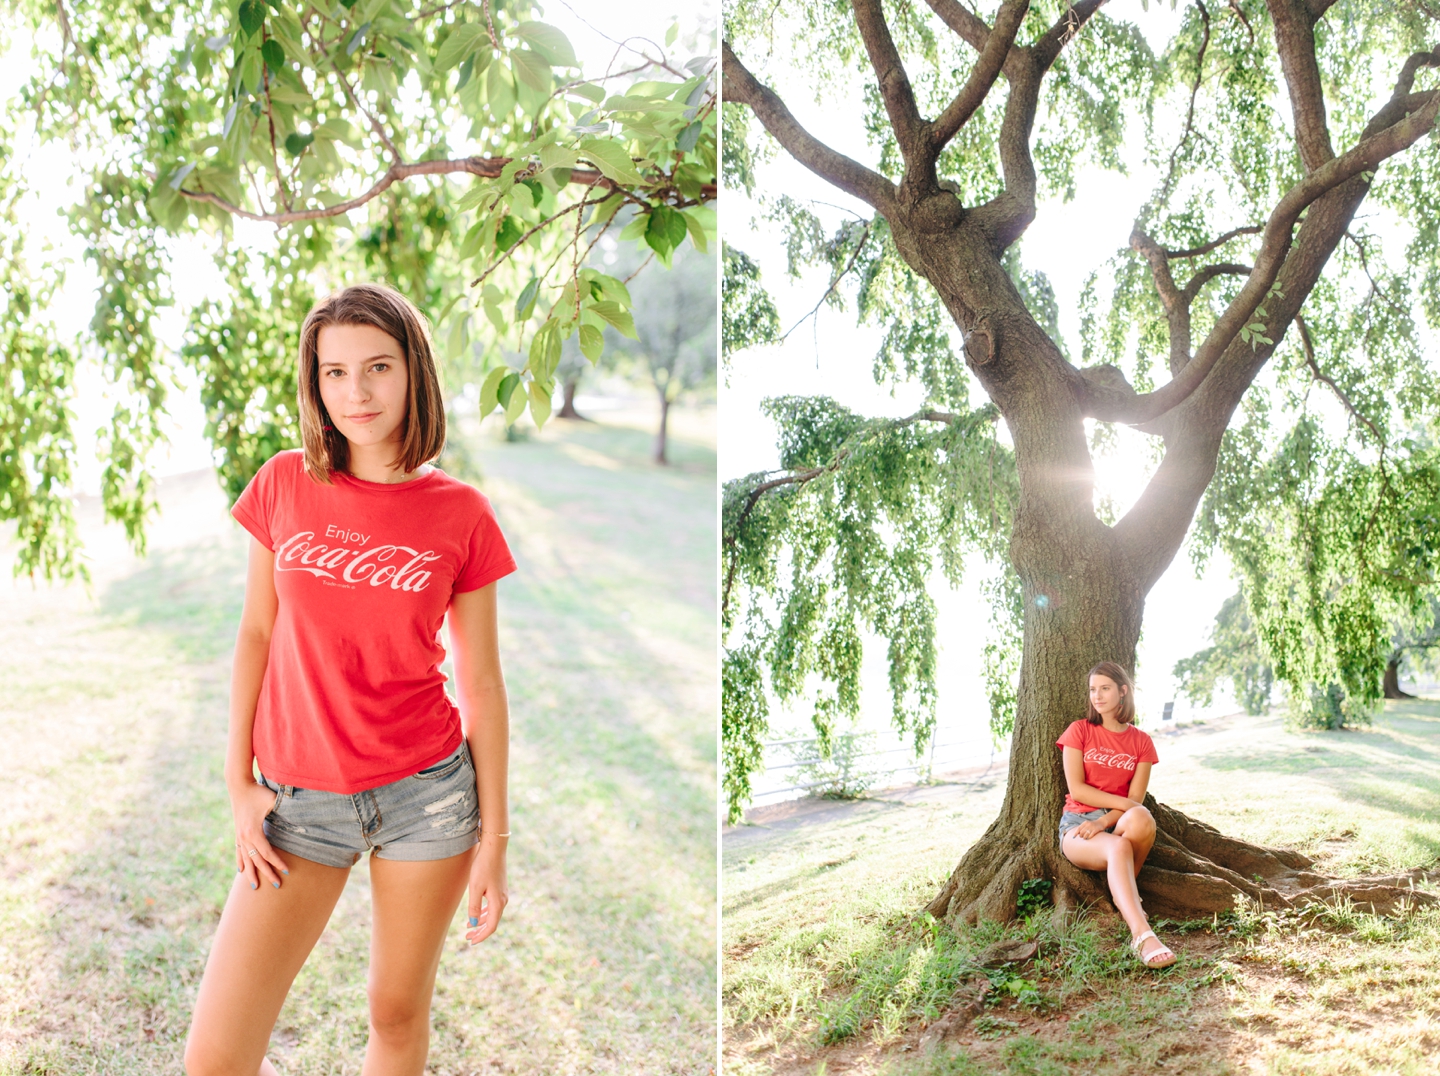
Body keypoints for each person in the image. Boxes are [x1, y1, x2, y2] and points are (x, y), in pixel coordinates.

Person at [184, 283, 517, 1075]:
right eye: (333, 372)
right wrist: (237, 784)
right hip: (298, 804)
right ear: (315, 382)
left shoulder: (462, 514)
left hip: (428, 800)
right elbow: (256, 634)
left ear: (414, 373)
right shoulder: (283, 484)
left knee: (394, 1015)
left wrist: (495, 844)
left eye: (377, 367)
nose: (355, 392)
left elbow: (485, 686)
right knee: (215, 1055)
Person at [1056, 661, 1176, 969]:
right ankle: (1141, 933)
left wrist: (1103, 821)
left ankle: (1123, 899)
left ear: (1123, 691)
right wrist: (1094, 821)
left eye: (1105, 688)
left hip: (1113, 821)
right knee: (1120, 844)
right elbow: (1079, 790)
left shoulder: (1141, 742)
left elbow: (1134, 801)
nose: (1097, 696)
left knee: (1143, 817)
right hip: (1077, 826)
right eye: (1093, 689)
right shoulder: (1079, 731)